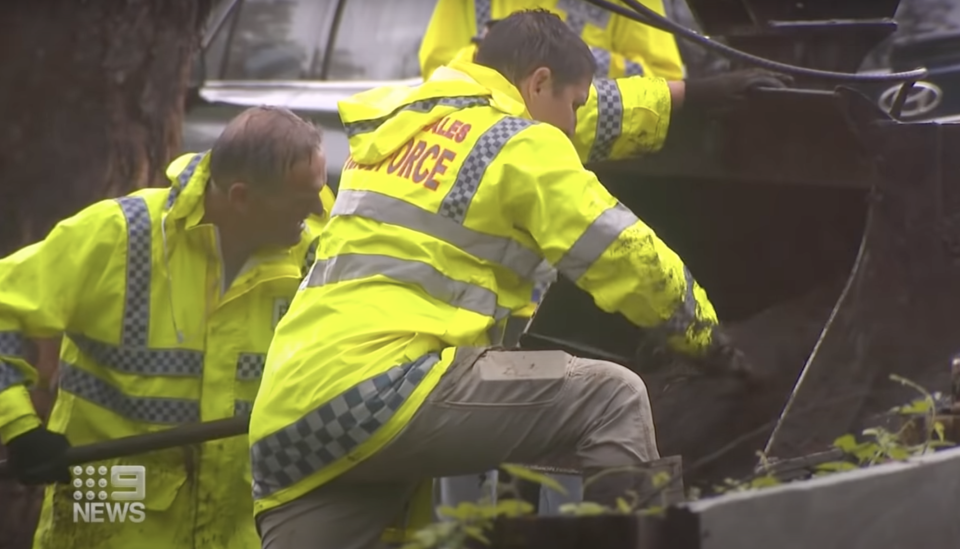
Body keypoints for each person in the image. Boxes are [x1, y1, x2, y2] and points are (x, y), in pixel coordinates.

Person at [250, 9, 786, 549]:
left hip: (290, 414)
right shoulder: (522, 145)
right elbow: (621, 252)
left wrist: (689, 96)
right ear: (539, 83)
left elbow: (591, 109)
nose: (576, 125)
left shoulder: (409, 117)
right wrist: (709, 345)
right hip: (387, 389)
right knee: (614, 396)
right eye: (572, 107)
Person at [0, 106, 335, 549]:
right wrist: (19, 428)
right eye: (301, 199)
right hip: (112, 504)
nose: (317, 209)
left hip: (238, 521)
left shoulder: (313, 257)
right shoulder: (119, 237)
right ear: (241, 197)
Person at [419, 0, 685, 81]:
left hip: (594, 162)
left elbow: (665, 84)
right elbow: (437, 74)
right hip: (487, 151)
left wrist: (573, 64)